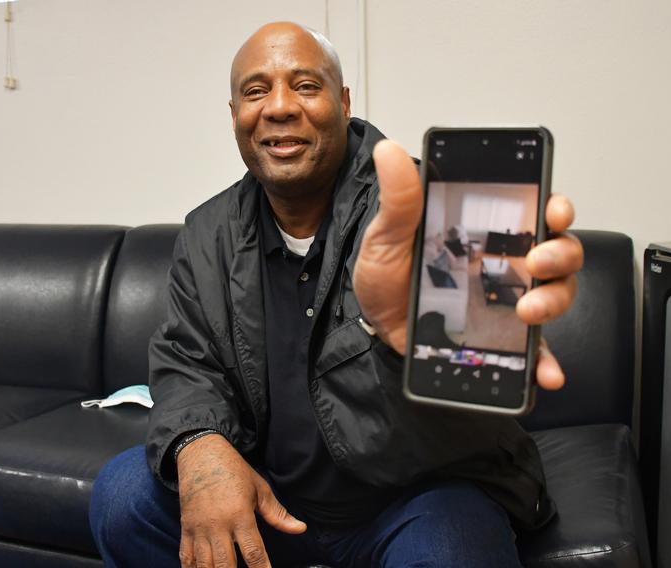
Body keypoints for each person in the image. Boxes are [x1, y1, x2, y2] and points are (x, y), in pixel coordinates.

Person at [90, 21, 583, 568]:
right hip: (272, 497)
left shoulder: (420, 209)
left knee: (452, 550)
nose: (278, 107)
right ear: (234, 115)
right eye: (256, 91)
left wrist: (405, 335)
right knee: (123, 496)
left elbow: (472, 381)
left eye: (304, 85)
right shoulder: (206, 233)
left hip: (419, 498)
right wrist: (198, 444)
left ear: (343, 102)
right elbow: (187, 362)